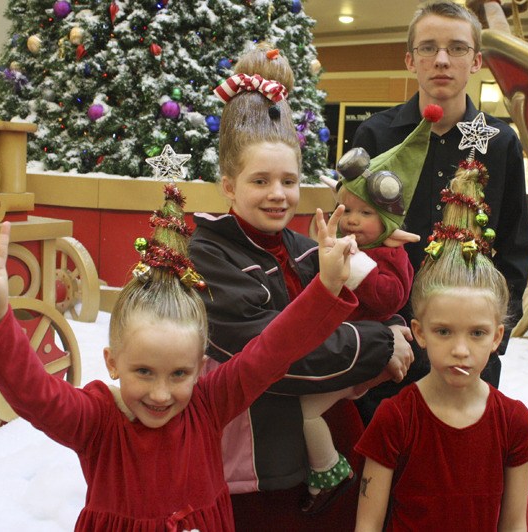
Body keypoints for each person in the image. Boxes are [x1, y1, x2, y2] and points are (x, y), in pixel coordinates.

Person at [0, 181, 359, 532]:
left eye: (179, 373)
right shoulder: (97, 421)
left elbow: (273, 350)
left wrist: (324, 288)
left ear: (201, 368)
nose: (161, 393)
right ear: (112, 361)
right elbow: (36, 394)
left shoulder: (209, 404)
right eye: (144, 372)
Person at [188, 43, 414, 525]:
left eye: (289, 181)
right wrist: (379, 342)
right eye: (260, 181)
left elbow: (364, 303)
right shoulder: (207, 252)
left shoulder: (302, 244)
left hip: (331, 444)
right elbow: (270, 352)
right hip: (260, 462)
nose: (278, 195)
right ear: (228, 184)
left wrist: (392, 316)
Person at [352, 0, 528, 410]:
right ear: (410, 60)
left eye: (457, 48)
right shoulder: (376, 135)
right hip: (390, 343)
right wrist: (374, 329)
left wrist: (491, 337)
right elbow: (353, 242)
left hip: (468, 349)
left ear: (477, 61)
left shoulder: (500, 143)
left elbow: (514, 248)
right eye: (428, 47)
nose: (442, 60)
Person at [354, 153, 528, 531]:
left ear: (497, 337)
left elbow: (514, 524)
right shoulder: (395, 419)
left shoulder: (514, 423)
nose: (461, 350)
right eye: (444, 332)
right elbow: (368, 525)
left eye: (477, 333)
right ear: (420, 332)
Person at [299, 104, 441, 513]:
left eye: (366, 213)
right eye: (350, 212)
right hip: (342, 347)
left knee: (307, 411)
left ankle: (329, 473)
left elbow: (389, 298)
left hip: (370, 355)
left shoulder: (388, 255)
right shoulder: (353, 246)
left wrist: (353, 266)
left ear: (386, 218)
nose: (354, 222)